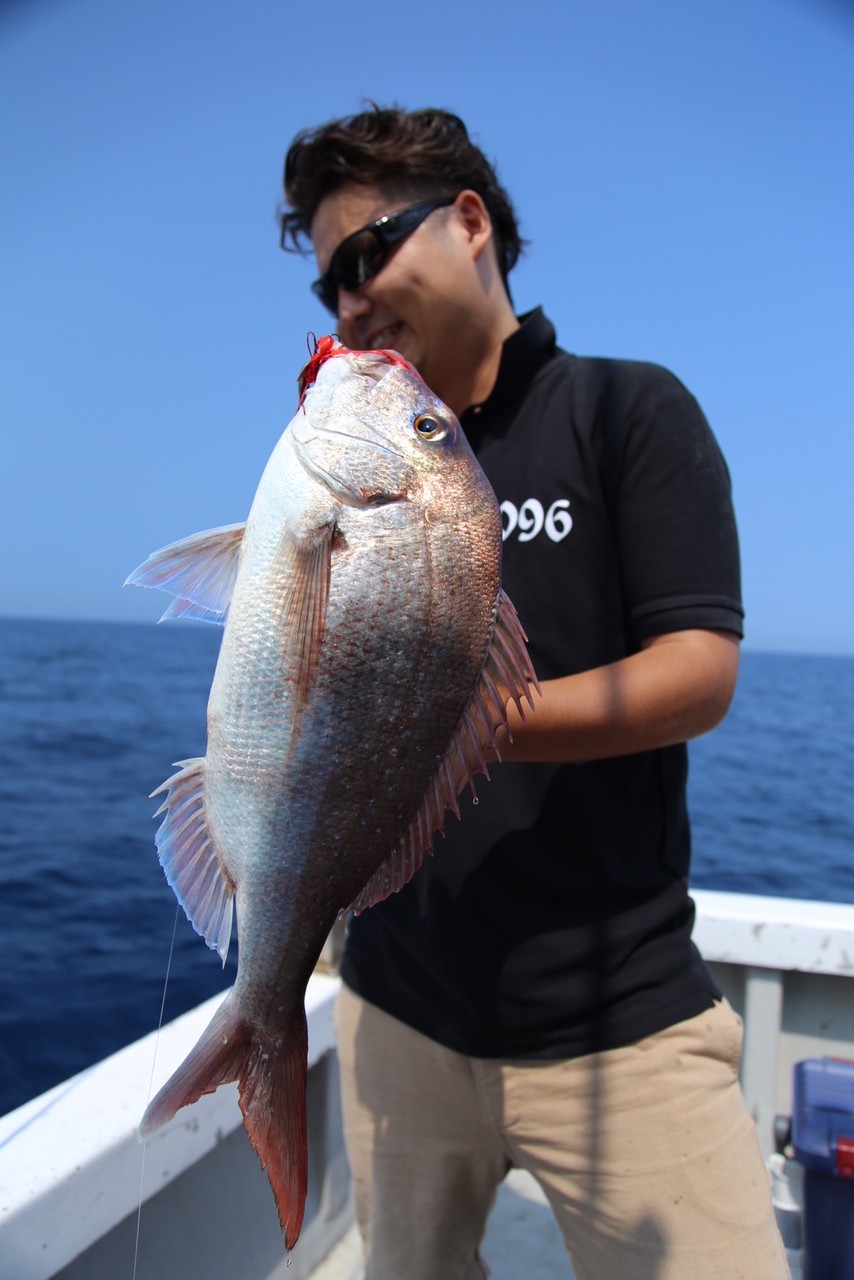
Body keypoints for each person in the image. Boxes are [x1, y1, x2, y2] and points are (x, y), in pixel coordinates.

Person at [279, 106, 788, 1280]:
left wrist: (452, 726)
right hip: (396, 1008)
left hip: (618, 1018)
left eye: (366, 254)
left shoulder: (624, 409)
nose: (348, 301)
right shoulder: (360, 462)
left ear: (470, 223)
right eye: (327, 285)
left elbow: (696, 669)